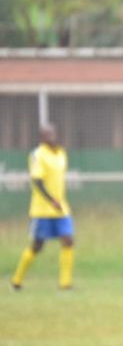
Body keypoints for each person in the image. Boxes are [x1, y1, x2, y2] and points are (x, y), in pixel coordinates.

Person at [11, 123, 75, 290]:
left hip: (61, 208)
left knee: (68, 240)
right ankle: (16, 281)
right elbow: (37, 181)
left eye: (53, 134)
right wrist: (50, 199)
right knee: (37, 246)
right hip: (42, 209)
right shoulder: (37, 155)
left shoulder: (61, 153)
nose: (52, 137)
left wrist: (58, 201)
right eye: (48, 135)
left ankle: (65, 283)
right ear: (42, 137)